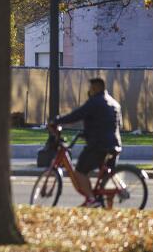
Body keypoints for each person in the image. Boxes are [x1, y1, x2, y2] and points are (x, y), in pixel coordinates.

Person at [51, 76, 122, 208]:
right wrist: (88, 132)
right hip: (115, 144)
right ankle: (107, 207)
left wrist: (57, 121)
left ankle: (91, 199)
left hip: (99, 145)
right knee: (106, 176)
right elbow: (115, 124)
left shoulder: (95, 101)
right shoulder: (114, 103)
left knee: (80, 171)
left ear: (95, 88)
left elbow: (77, 115)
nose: (89, 91)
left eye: (90, 88)